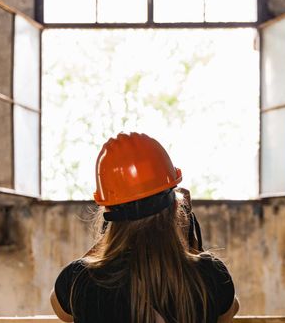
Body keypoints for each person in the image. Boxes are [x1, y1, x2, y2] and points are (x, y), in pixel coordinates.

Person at [50, 132, 239, 323]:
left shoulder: (80, 280)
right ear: (176, 207)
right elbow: (228, 312)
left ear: (108, 211)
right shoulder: (211, 276)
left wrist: (108, 240)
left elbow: (61, 308)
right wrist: (193, 247)